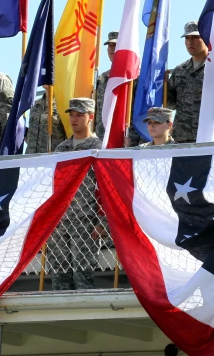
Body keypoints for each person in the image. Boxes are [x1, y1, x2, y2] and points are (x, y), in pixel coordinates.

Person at [49, 97, 104, 290]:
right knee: (58, 271)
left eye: (79, 115)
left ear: (90, 117)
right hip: (61, 219)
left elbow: (106, 187)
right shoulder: (61, 148)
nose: (74, 119)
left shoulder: (99, 148)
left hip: (85, 218)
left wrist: (102, 222)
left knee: (83, 272)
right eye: (72, 115)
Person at [95, 31, 141, 146]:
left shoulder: (135, 77)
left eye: (115, 45)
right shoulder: (101, 78)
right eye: (109, 45)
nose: (111, 49)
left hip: (129, 139)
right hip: (103, 139)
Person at [167, 21, 207, 143]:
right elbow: (170, 104)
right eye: (187, 38)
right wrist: (161, 86)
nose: (190, 42)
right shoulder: (179, 70)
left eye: (195, 37)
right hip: (182, 137)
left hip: (210, 136)